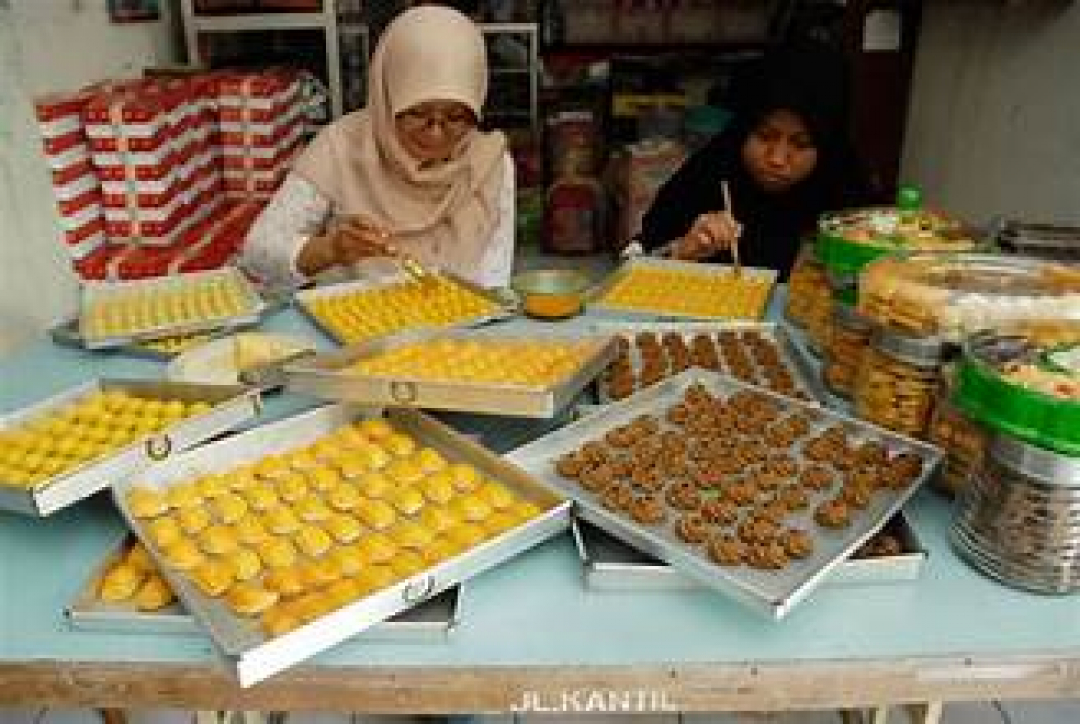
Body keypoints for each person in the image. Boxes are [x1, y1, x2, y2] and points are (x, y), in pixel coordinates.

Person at [241, 5, 514, 289]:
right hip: (347, 325)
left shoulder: (489, 165)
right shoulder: (340, 148)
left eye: (456, 117)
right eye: (417, 114)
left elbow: (493, 283)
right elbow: (258, 254)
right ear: (388, 96)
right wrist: (331, 250)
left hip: (457, 325)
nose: (435, 135)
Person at [637, 42, 875, 280]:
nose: (777, 159)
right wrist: (682, 250)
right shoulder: (710, 173)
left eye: (801, 144)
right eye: (765, 136)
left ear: (827, 145)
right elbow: (635, 263)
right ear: (743, 130)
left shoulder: (848, 199)